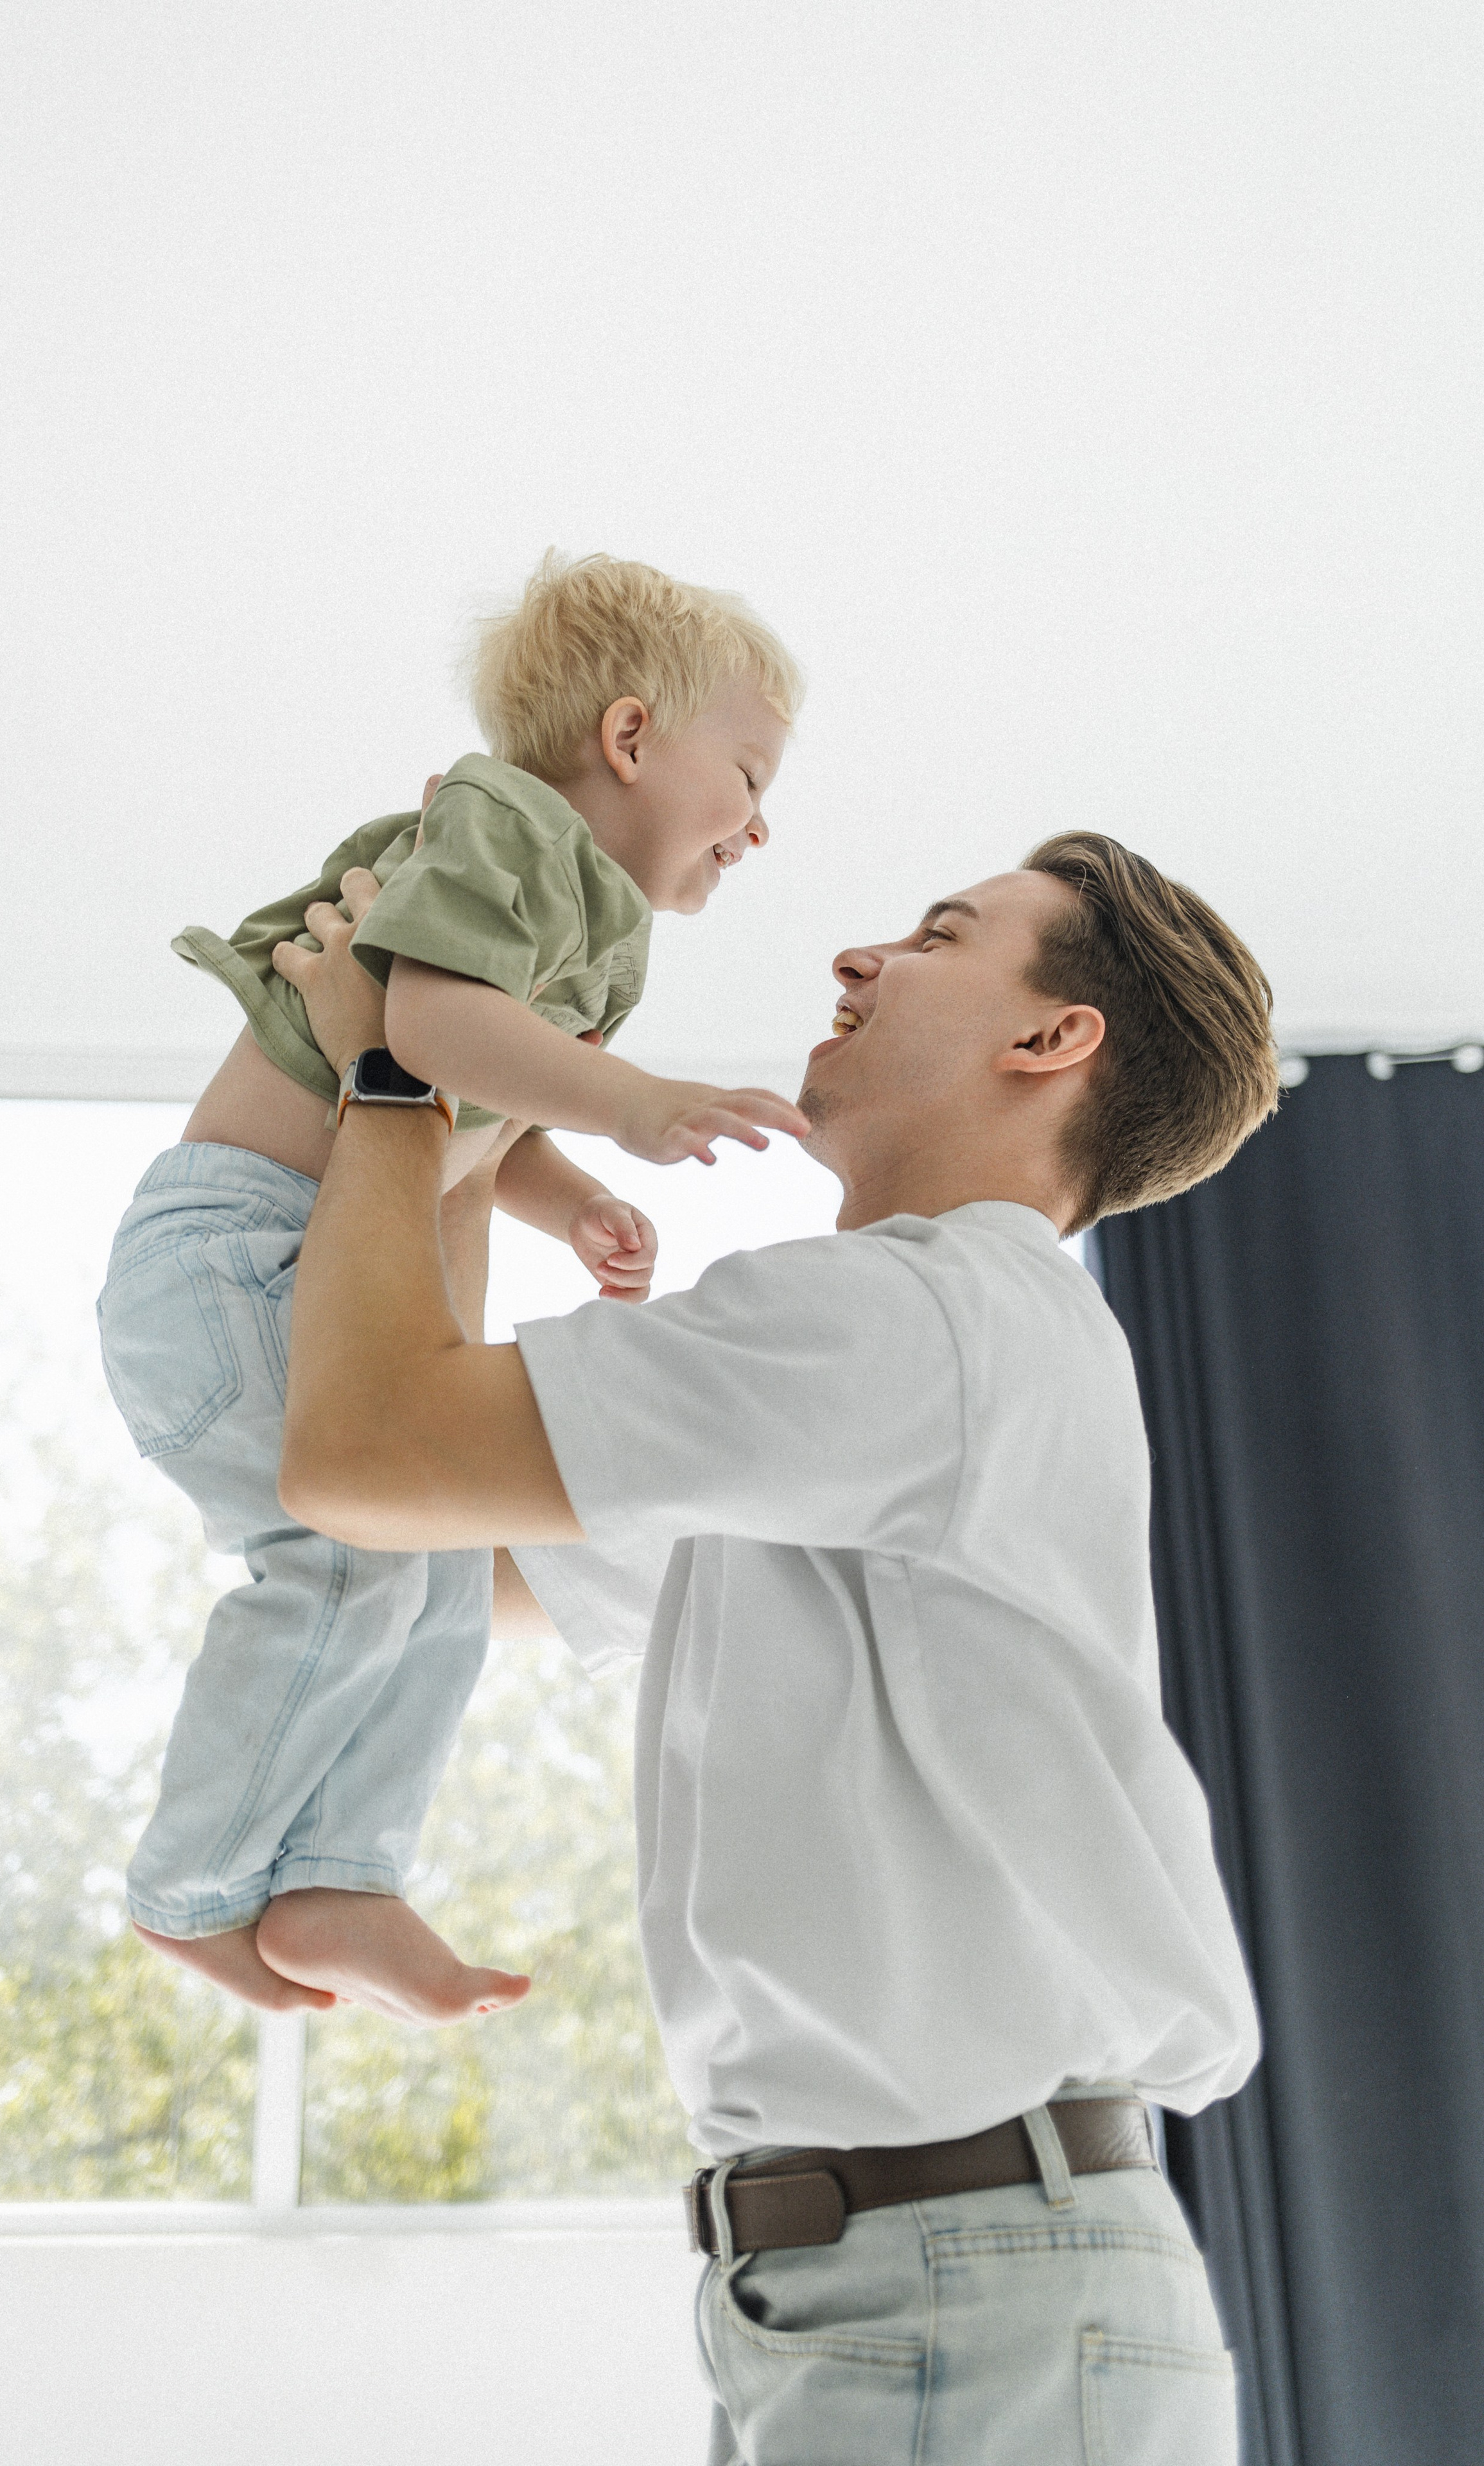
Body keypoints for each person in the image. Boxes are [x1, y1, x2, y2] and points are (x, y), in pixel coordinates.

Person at [270, 831, 1279, 2465]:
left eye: (940, 936)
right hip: (902, 2276)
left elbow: (365, 1452)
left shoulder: (916, 1322)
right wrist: (443, 1102)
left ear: (1050, 1038)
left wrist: (397, 1066)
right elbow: (426, 1529)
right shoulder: (878, 1372)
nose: (858, 959)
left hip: (954, 2277)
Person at [96, 552, 807, 2022]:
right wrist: (632, 1105)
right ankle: (193, 1882)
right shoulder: (507, 824)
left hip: (311, 1247)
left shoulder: (588, 925)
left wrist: (573, 1196)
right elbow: (419, 1026)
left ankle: (339, 1871)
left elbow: (475, 1110)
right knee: (346, 1562)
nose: (758, 826)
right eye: (746, 773)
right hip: (243, 1253)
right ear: (626, 741)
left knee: (432, 1582)